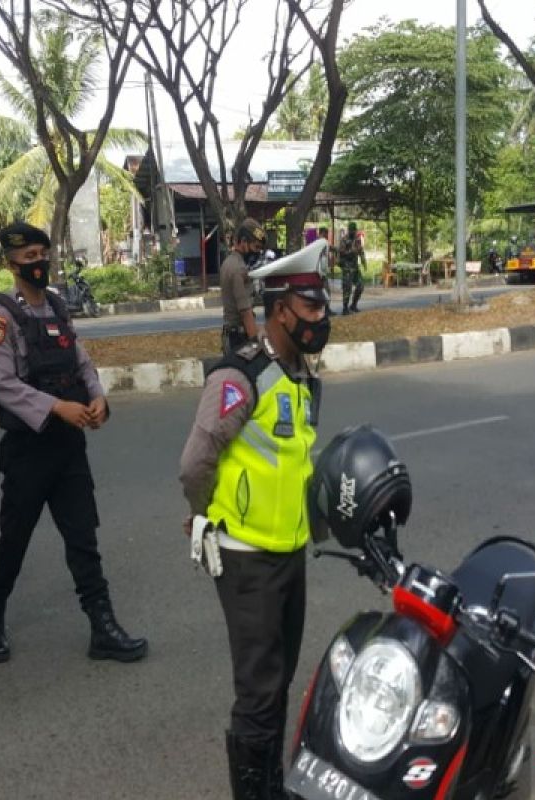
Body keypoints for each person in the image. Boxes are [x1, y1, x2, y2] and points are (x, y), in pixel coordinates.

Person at [179, 238, 330, 799]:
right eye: (311, 307)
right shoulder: (241, 377)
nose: (322, 318)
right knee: (259, 692)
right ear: (281, 310)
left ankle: (268, 785)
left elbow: (297, 464)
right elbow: (195, 464)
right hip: (246, 558)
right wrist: (204, 518)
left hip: (289, 552)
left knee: (279, 680)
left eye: (323, 305)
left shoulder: (302, 376)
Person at [0, 222, 146, 666]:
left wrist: (96, 397)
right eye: (28, 258)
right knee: (14, 539)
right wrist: (57, 407)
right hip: (27, 452)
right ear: (10, 264)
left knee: (82, 537)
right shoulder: (0, 318)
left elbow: (81, 361)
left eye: (41, 255)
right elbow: (3, 385)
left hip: (68, 448)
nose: (37, 264)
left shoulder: (56, 307)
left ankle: (102, 627)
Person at [219, 217, 266, 355]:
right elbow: (245, 313)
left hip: (231, 336)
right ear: (244, 242)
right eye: (256, 247)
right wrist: (256, 345)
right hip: (239, 339)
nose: (257, 252)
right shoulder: (238, 269)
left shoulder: (228, 262)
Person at [337, 221, 365, 314]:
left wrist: (363, 261)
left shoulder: (357, 239)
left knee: (360, 286)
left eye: (355, 230)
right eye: (352, 231)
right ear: (349, 230)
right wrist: (351, 251)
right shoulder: (344, 240)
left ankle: (353, 305)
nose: (354, 232)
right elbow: (341, 252)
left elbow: (360, 250)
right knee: (347, 288)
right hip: (347, 268)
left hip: (355, 267)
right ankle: (345, 308)